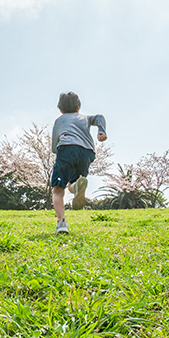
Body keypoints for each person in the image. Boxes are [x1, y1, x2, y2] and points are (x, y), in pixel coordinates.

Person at [51, 92, 107, 235]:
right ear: (78, 107)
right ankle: (76, 186)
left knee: (58, 188)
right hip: (86, 152)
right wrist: (101, 131)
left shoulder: (59, 120)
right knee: (74, 181)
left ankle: (62, 223)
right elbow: (99, 117)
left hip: (67, 149)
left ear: (60, 109)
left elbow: (54, 146)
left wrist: (60, 155)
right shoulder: (85, 118)